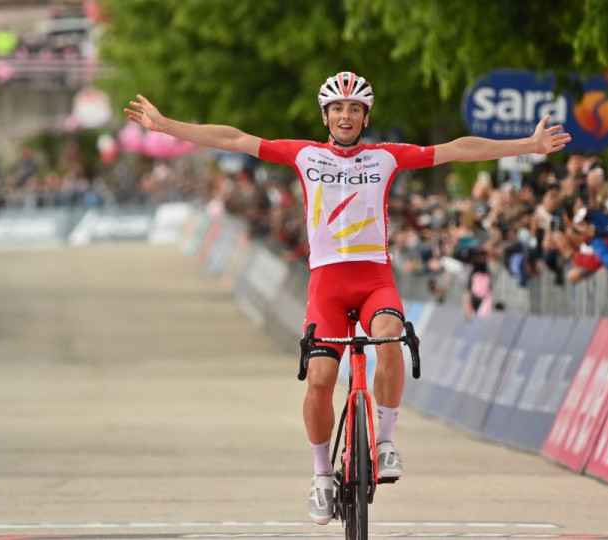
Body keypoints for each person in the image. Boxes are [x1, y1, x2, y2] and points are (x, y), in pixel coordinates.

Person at [123, 71, 571, 525]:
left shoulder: (385, 158)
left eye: (354, 109)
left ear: (365, 116)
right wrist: (169, 126)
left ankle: (387, 440)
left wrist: (526, 145)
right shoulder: (304, 154)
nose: (345, 115)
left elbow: (457, 149)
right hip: (327, 287)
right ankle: (321, 474)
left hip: (375, 280)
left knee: (391, 336)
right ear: (326, 115)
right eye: (337, 108)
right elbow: (235, 138)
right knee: (319, 380)